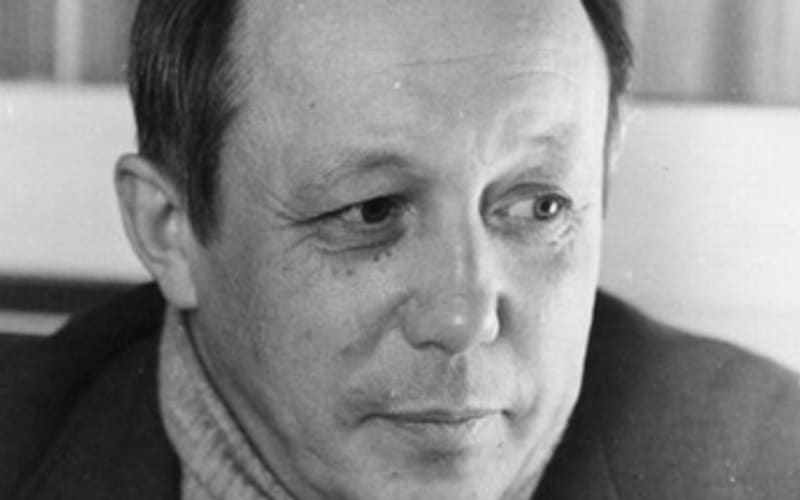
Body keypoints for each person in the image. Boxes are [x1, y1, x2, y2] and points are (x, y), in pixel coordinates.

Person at [1, 0, 799, 498]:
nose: (464, 318)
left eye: (540, 205)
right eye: (371, 211)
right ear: (169, 229)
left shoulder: (769, 461)